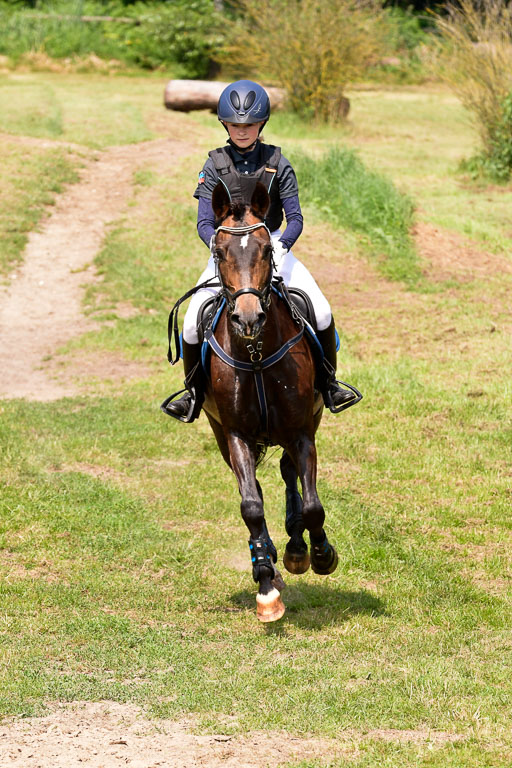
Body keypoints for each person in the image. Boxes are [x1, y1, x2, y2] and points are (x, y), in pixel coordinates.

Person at [164, 79, 356, 421]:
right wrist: (217, 247)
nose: (242, 131)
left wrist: (281, 246)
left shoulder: (278, 163)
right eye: (236, 125)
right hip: (228, 255)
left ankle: (329, 385)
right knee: (192, 323)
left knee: (322, 311)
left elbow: (295, 217)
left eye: (249, 125)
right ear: (224, 124)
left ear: (261, 125)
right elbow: (204, 223)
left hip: (272, 248)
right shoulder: (213, 165)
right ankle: (192, 394)